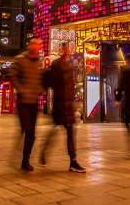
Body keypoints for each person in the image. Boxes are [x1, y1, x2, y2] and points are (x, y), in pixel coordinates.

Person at [39, 43, 86, 173]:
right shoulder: (56, 64)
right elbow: (51, 82)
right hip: (60, 105)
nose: (68, 50)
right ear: (61, 49)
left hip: (68, 105)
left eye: (69, 49)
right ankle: (44, 151)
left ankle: (73, 161)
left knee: (70, 132)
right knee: (54, 130)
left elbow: (71, 86)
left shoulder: (69, 65)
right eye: (65, 48)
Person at [10, 38, 43, 171]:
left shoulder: (40, 62)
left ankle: (25, 160)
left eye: (39, 44)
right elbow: (12, 75)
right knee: (27, 129)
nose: (38, 46)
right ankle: (23, 158)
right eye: (35, 44)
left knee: (31, 133)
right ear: (29, 45)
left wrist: (41, 88)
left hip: (34, 102)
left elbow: (41, 78)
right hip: (23, 101)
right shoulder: (20, 59)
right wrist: (21, 89)